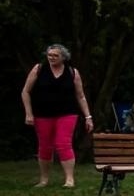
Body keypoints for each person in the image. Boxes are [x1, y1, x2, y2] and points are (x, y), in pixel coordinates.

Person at [21, 43, 93, 188]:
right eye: (49, 55)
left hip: (67, 113)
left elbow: (80, 96)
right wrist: (29, 113)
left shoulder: (72, 72)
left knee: (63, 143)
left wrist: (88, 116)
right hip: (42, 114)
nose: (52, 57)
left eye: (55, 55)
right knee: (45, 146)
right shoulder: (39, 69)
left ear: (63, 58)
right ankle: (44, 179)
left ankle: (69, 179)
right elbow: (25, 92)